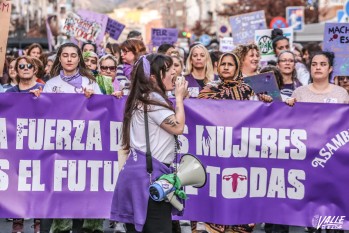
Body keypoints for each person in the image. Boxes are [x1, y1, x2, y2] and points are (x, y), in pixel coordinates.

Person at [110, 53, 188, 233]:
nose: (174, 72)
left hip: (138, 176)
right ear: (153, 78)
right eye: (167, 70)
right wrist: (178, 99)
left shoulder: (143, 98)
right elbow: (178, 127)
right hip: (149, 179)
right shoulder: (153, 101)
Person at [43, 42, 102, 233]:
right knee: (61, 186)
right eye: (65, 55)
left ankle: (91, 227)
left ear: (79, 59)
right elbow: (42, 112)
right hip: (60, 146)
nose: (69, 59)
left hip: (86, 144)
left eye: (73, 55)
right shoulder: (51, 84)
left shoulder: (90, 83)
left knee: (89, 185)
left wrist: (93, 100)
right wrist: (34, 98)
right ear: (59, 58)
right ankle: (61, 227)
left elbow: (104, 112)